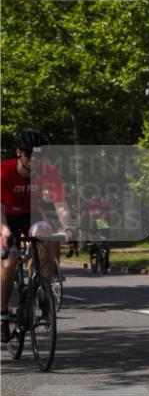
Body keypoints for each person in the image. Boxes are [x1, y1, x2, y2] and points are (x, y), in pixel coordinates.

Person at [1, 130, 74, 343]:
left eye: (40, 155)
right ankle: (2, 314)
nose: (34, 160)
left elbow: (61, 205)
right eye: (29, 155)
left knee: (46, 238)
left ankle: (42, 289)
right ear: (19, 152)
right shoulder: (4, 171)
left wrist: (69, 228)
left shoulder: (48, 172)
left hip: (31, 215)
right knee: (9, 261)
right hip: (5, 216)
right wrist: (5, 232)